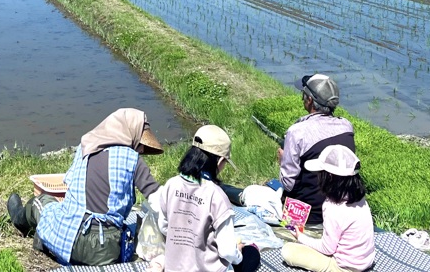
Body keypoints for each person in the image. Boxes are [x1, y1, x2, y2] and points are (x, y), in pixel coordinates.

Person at [6, 107, 163, 265]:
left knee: (40, 201)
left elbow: (70, 184)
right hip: (107, 253)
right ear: (131, 133)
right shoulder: (132, 159)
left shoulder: (86, 148)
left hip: (71, 242)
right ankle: (42, 238)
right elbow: (158, 200)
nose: (141, 149)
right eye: (140, 143)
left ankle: (20, 220)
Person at [149, 124, 262, 272]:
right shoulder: (217, 196)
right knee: (251, 254)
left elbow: (164, 227)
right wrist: (238, 253)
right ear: (220, 161)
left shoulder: (171, 184)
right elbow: (227, 251)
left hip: (175, 266)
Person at [280, 145, 375, 272]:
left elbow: (327, 249)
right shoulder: (359, 198)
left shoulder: (332, 207)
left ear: (329, 176)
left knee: (288, 251)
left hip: (344, 267)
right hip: (366, 261)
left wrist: (300, 236)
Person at [278, 74, 355, 229]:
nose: (302, 98)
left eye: (304, 95)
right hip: (339, 213)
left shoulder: (297, 131)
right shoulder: (347, 126)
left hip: (307, 217)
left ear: (310, 100)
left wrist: (282, 160)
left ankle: (290, 228)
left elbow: (288, 183)